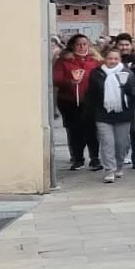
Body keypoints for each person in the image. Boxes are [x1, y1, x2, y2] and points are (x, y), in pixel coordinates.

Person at [84, 48, 135, 183]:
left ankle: (119, 165)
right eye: (110, 58)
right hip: (103, 114)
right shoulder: (97, 74)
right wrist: (89, 112)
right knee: (107, 143)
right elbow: (91, 95)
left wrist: (127, 89)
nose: (112, 61)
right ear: (105, 59)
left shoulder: (127, 73)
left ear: (120, 60)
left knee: (121, 143)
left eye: (116, 59)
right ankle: (109, 170)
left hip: (123, 114)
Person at [53, 34, 101, 171]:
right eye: (79, 44)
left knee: (92, 130)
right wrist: (71, 82)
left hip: (89, 101)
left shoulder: (95, 60)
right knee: (74, 131)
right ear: (73, 46)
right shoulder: (63, 61)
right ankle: (78, 158)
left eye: (85, 44)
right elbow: (57, 79)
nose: (82, 47)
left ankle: (95, 158)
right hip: (69, 101)